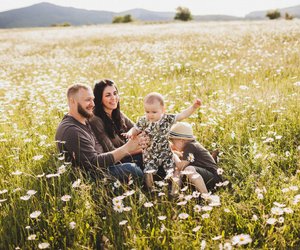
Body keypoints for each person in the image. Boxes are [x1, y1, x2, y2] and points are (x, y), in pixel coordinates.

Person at [55, 83, 145, 183]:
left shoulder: (85, 119)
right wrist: (127, 148)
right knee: (132, 170)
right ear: (72, 101)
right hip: (93, 176)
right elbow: (94, 163)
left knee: (146, 157)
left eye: (92, 99)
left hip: (107, 164)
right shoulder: (71, 130)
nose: (93, 104)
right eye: (87, 100)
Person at [123, 92, 201, 190]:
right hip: (150, 154)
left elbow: (182, 115)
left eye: (154, 112)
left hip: (165, 152)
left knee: (171, 170)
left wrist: (193, 107)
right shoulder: (144, 120)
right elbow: (136, 128)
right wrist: (130, 133)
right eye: (147, 112)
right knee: (148, 172)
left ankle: (173, 189)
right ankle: (151, 190)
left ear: (163, 110)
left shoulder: (167, 119)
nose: (150, 115)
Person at [89, 79, 143, 169]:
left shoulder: (116, 113)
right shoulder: (95, 120)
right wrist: (140, 149)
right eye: (108, 95)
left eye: (115, 93)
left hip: (131, 154)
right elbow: (111, 152)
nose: (113, 98)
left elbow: (138, 129)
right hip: (119, 161)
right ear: (99, 98)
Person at [169, 122, 222, 193]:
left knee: (188, 169)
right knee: (178, 171)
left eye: (173, 142)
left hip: (213, 178)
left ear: (182, 140)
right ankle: (174, 195)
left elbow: (181, 166)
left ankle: (206, 197)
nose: (172, 146)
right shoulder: (190, 147)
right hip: (204, 177)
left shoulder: (191, 146)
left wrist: (173, 154)